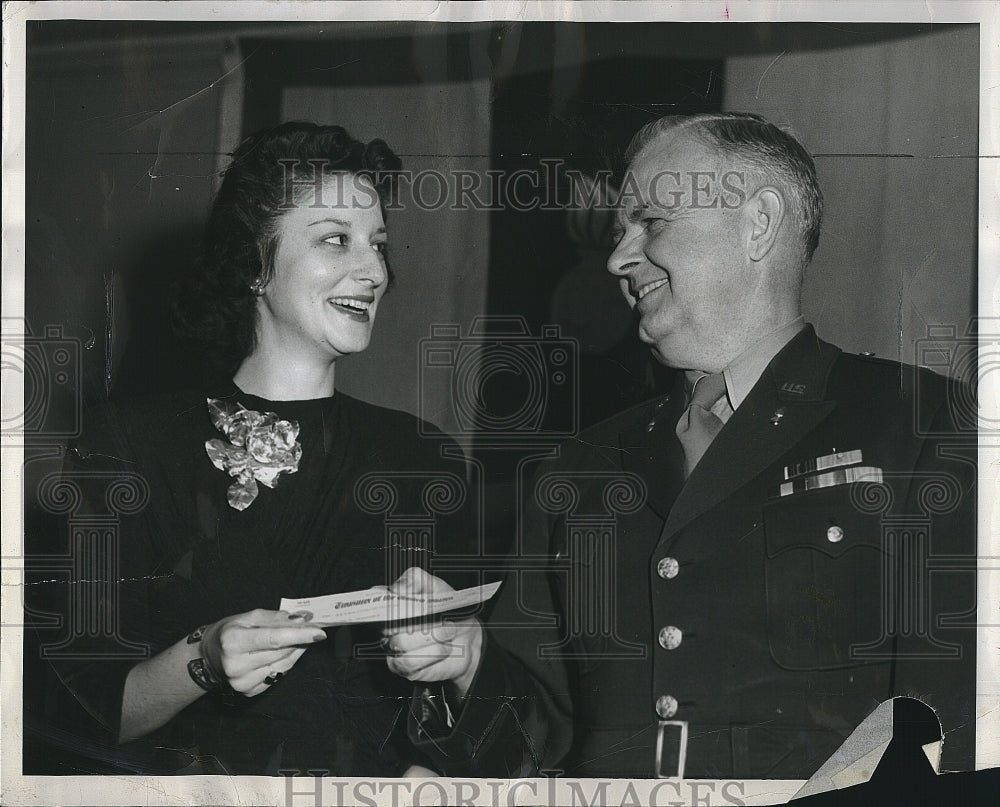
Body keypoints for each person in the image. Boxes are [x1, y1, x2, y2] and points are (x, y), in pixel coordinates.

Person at [382, 112, 978, 779]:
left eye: (651, 222)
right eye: (619, 231)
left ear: (758, 223)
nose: (617, 258)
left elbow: (954, 723)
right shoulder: (583, 463)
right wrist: (468, 661)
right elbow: (535, 740)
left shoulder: (925, 424)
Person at [27, 122, 472, 775]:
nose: (375, 269)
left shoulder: (419, 454)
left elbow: (446, 715)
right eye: (335, 240)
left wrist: (440, 728)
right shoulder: (128, 444)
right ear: (254, 265)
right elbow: (80, 719)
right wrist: (202, 658)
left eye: (378, 244)